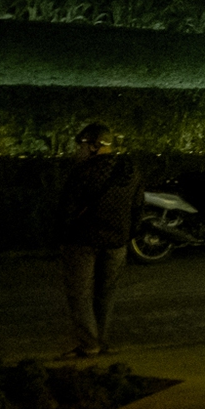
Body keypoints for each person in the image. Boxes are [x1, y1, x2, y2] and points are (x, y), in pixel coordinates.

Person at [55, 123, 142, 359]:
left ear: (94, 146)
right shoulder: (129, 170)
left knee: (80, 295)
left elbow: (66, 211)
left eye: (81, 145)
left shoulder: (82, 172)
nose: (78, 150)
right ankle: (100, 341)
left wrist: (61, 238)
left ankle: (89, 344)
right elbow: (137, 207)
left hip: (82, 242)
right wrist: (127, 235)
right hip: (117, 243)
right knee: (106, 293)